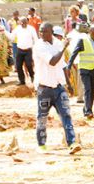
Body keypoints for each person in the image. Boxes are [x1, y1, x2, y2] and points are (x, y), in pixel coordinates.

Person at [32, 23, 81, 154]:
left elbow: (63, 65)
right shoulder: (39, 45)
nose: (42, 34)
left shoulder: (58, 43)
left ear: (51, 32)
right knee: (42, 117)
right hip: (44, 89)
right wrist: (64, 47)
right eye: (40, 31)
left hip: (59, 88)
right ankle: (41, 144)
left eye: (45, 32)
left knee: (66, 115)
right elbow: (53, 61)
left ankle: (71, 143)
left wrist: (69, 84)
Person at [67, 24, 94, 119]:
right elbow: (74, 53)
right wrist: (69, 66)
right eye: (93, 33)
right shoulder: (83, 41)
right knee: (87, 89)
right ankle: (88, 111)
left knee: (92, 91)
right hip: (84, 69)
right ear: (89, 32)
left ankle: (87, 108)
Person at [8, 17, 38, 85]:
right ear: (20, 23)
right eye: (22, 23)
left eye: (24, 23)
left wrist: (35, 48)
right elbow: (11, 38)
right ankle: (22, 81)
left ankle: (32, 77)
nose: (23, 24)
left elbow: (35, 39)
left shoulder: (31, 29)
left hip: (28, 50)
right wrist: (4, 32)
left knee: (29, 65)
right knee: (18, 66)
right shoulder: (17, 29)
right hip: (20, 50)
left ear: (27, 22)